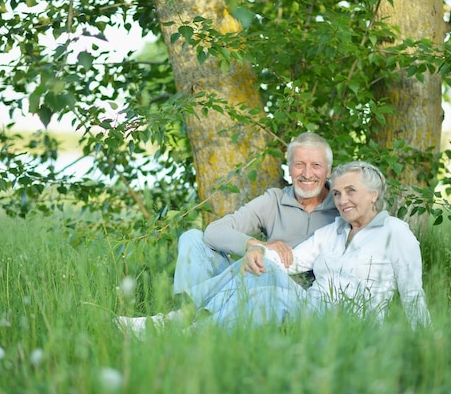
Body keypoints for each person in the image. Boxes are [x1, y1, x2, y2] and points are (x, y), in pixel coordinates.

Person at [118, 161, 431, 334]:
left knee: (265, 287)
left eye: (351, 191)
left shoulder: (396, 233)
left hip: (349, 325)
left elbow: (413, 294)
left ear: (374, 194)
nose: (342, 200)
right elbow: (290, 262)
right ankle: (184, 333)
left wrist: (425, 347)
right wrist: (257, 252)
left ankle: (176, 324)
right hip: (309, 308)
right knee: (262, 278)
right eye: (336, 194)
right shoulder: (334, 232)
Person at [115, 132, 339, 331]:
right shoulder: (275, 201)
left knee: (263, 266)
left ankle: (176, 321)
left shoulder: (343, 208)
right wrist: (257, 246)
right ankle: (193, 320)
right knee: (193, 239)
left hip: (295, 297)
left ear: (328, 170)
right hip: (252, 279)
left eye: (316, 166)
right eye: (299, 164)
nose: (307, 173)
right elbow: (214, 232)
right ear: (289, 169)